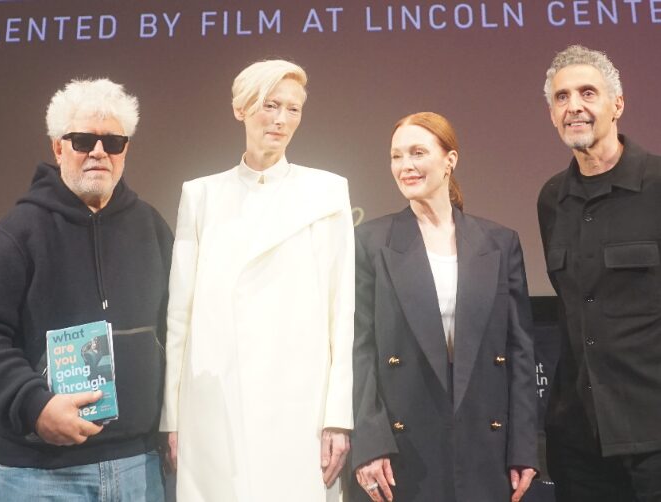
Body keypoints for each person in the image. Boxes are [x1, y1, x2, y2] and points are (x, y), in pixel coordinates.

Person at [159, 59, 354, 501]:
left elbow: (342, 310)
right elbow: (179, 316)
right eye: (270, 105)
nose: (282, 120)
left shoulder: (326, 192)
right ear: (241, 109)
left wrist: (337, 416)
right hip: (215, 403)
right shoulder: (201, 194)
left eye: (293, 109)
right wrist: (172, 417)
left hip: (299, 402)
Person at [0, 78, 173, 501]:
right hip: (39, 474)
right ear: (58, 147)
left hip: (139, 466)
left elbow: (176, 329)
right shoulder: (17, 234)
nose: (99, 152)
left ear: (125, 150)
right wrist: (35, 406)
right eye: (83, 140)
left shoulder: (153, 229)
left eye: (113, 142)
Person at [350, 112, 537, 502]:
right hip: (402, 446)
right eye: (396, 156)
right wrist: (369, 441)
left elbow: (519, 351)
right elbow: (360, 349)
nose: (406, 166)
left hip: (483, 439)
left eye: (418, 153)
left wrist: (523, 447)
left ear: (450, 160)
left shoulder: (499, 243)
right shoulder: (369, 241)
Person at [538, 45, 661, 501]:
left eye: (588, 93)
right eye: (562, 97)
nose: (575, 107)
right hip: (579, 444)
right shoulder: (551, 199)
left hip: (654, 435)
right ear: (552, 113)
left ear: (617, 104)